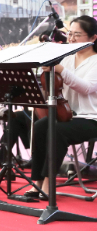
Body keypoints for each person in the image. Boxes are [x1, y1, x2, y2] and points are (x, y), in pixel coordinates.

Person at [26, 16, 97, 199]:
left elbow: (87, 88)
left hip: (90, 118)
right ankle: (37, 184)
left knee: (57, 131)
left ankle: (50, 185)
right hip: (66, 114)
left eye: (77, 35)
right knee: (41, 126)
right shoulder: (66, 58)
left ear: (93, 38)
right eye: (70, 34)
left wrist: (61, 71)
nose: (71, 39)